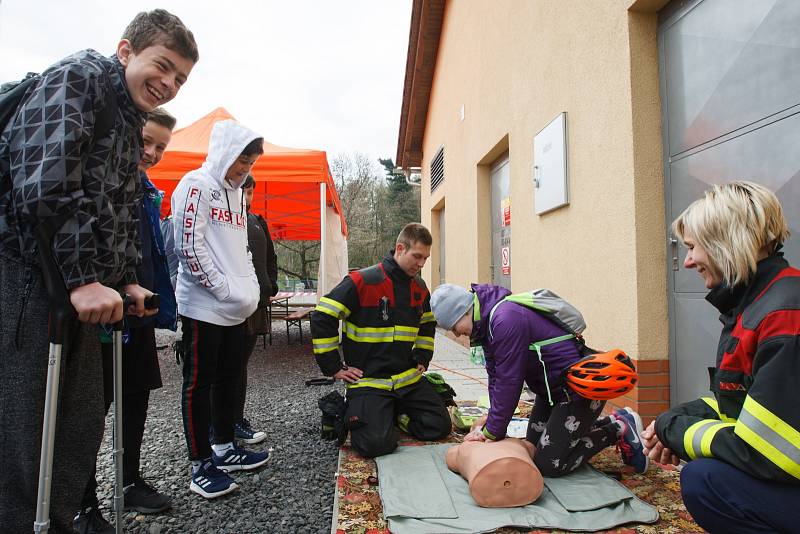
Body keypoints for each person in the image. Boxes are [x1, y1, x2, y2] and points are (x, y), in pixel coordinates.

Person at [0, 10, 197, 533]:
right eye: (163, 66)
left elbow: (120, 206)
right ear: (127, 49)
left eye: (181, 78)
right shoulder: (80, 77)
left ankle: (60, 521)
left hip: (86, 292)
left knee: (80, 425)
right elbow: (45, 186)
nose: (170, 84)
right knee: (29, 433)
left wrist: (125, 275)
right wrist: (83, 277)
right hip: (30, 278)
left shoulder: (131, 116)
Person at [641, 181, 800, 534]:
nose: (687, 260)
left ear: (725, 242)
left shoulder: (782, 314)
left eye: (693, 247)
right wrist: (676, 415)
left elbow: (767, 451)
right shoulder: (760, 303)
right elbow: (740, 403)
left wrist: (673, 431)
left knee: (706, 481)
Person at [74, 108, 179, 533]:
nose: (151, 153)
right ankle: (81, 501)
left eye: (160, 147)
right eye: (146, 141)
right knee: (89, 409)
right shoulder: (97, 176)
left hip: (139, 307)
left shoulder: (147, 188)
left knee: (135, 395)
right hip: (96, 312)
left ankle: (129, 479)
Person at [430, 283, 648, 477]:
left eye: (454, 328)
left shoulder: (505, 320)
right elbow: (496, 377)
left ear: (462, 313)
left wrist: (492, 432)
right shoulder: (487, 326)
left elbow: (509, 382)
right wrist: (491, 419)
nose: (457, 335)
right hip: (550, 391)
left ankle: (619, 428)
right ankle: (607, 422)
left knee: (549, 464)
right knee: (531, 448)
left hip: (574, 392)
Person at [172, 119, 269, 499]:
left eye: (250, 165)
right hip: (203, 305)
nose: (244, 171)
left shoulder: (237, 193)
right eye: (241, 162)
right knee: (199, 382)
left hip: (235, 306)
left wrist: (249, 288)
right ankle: (199, 464)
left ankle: (224, 446)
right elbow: (189, 246)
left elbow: (240, 247)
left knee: (231, 375)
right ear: (225, 154)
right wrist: (223, 288)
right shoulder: (197, 184)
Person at [311, 223, 451, 458]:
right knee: (374, 445)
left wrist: (423, 356)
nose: (421, 264)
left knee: (439, 427)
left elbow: (428, 322)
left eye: (425, 258)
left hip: (406, 380)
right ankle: (366, 414)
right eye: (417, 256)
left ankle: (393, 415)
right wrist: (333, 367)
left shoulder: (419, 287)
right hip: (369, 381)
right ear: (400, 248)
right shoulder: (363, 281)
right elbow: (323, 314)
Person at [236, 174, 278, 444]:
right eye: (243, 191)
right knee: (226, 367)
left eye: (250, 192)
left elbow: (271, 257)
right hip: (233, 305)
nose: (246, 198)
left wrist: (271, 287)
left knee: (240, 365)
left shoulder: (257, 222)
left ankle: (235, 419)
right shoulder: (224, 223)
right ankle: (221, 424)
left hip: (258, 303)